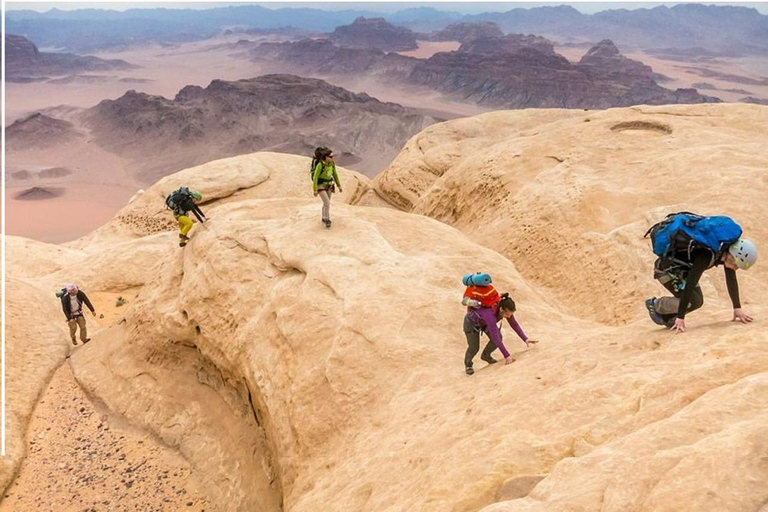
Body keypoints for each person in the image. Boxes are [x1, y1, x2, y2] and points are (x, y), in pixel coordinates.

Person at [646, 238, 757, 333]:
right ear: (732, 257)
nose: (736, 269)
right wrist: (681, 318)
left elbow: (731, 279)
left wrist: (737, 308)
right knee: (693, 301)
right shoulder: (707, 255)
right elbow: (690, 284)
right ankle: (655, 305)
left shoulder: (722, 251)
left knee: (697, 301)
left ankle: (666, 318)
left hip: (682, 271)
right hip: (666, 271)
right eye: (737, 265)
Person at [463, 292, 538, 375]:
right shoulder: (489, 314)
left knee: (499, 337)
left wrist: (525, 339)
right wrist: (507, 356)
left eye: (510, 314)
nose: (509, 316)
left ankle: (485, 355)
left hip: (484, 323)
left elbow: (514, 324)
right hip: (471, 324)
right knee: (474, 347)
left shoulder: (504, 309)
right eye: (507, 314)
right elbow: (495, 337)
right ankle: (468, 365)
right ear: (501, 309)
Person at [311, 147, 342, 228]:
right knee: (327, 202)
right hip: (321, 185)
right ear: (326, 157)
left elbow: (335, 174)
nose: (332, 158)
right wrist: (315, 189)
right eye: (331, 157)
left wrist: (339, 185)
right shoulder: (320, 165)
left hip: (329, 185)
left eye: (333, 156)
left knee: (326, 203)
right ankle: (327, 219)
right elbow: (315, 177)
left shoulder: (332, 164)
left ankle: (323, 217)